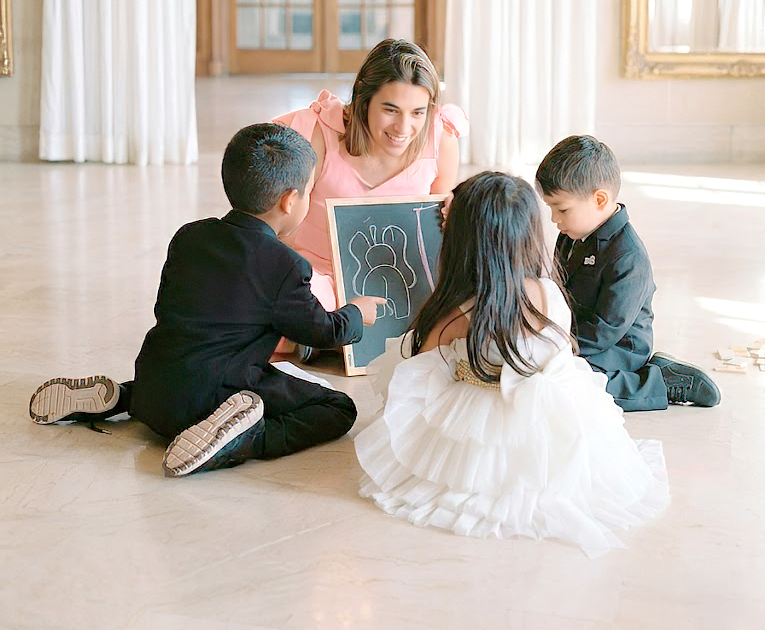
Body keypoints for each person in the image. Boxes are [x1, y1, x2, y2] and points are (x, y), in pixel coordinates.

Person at [28, 123, 383, 477]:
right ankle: (244, 439)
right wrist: (355, 313)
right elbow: (321, 332)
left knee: (189, 369)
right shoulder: (284, 265)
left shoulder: (189, 237)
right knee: (337, 408)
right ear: (290, 200)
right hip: (209, 403)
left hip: (153, 386)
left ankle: (121, 398)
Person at [354, 172, 670, 558]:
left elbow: (418, 362)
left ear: (463, 245)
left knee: (415, 377)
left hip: (488, 409)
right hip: (560, 410)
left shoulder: (465, 311)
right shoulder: (549, 291)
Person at [273, 38, 468, 357]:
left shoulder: (440, 139)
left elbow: (440, 232)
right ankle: (321, 329)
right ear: (364, 100)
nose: (404, 127)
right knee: (284, 305)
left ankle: (327, 333)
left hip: (404, 278)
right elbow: (273, 216)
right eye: (390, 110)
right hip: (320, 275)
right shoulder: (322, 133)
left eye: (418, 112)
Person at [535, 135, 720, 411]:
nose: (554, 219)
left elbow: (605, 330)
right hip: (578, 335)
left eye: (561, 209)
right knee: (544, 369)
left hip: (619, 347)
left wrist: (559, 345)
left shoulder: (627, 256)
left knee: (568, 384)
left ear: (599, 199)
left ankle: (660, 382)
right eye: (551, 209)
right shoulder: (572, 233)